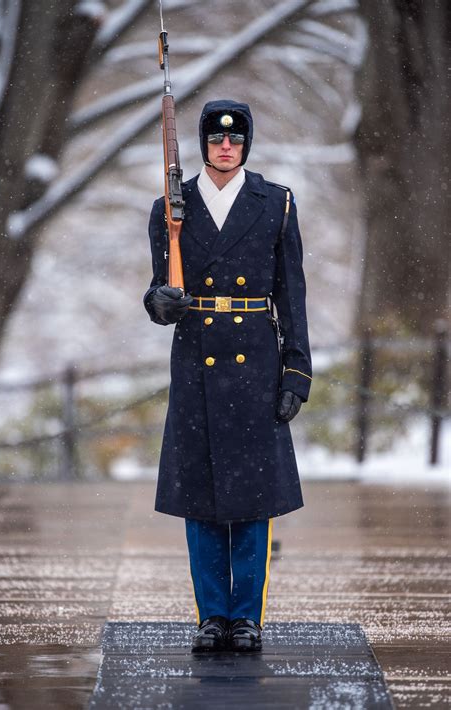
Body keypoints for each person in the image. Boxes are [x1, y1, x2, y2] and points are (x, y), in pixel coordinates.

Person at [144, 99, 312, 653]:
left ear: (246, 144)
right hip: (196, 361)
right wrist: (161, 302)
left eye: (235, 139)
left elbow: (292, 295)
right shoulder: (173, 207)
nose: (225, 146)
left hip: (256, 364)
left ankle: (247, 616)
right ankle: (211, 614)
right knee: (202, 500)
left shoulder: (276, 203)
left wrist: (296, 370)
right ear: (201, 144)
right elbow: (156, 288)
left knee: (253, 499)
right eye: (216, 139)